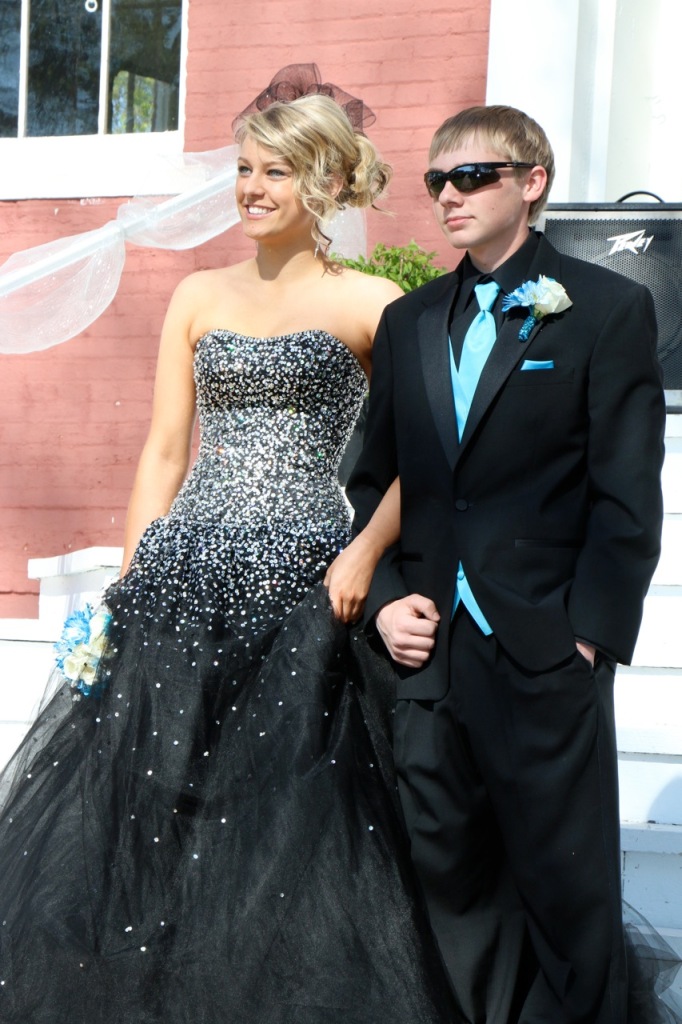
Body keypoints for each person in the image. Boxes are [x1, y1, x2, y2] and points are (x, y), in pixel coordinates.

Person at [0, 84, 457, 1023]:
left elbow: (428, 456)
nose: (251, 187)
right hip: (182, 581)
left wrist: (364, 556)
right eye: (244, 169)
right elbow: (166, 452)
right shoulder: (197, 295)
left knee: (285, 814)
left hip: (309, 586)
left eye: (275, 171)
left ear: (325, 180)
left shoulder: (376, 302)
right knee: (158, 801)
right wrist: (131, 586)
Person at [346, 105, 671, 1023]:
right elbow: (374, 482)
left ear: (533, 182)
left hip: (545, 648)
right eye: (436, 181)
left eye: (473, 176)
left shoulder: (606, 310)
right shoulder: (407, 321)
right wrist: (387, 598)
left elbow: (626, 496)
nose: (449, 196)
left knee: (568, 897)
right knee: (448, 886)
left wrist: (589, 636)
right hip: (429, 656)